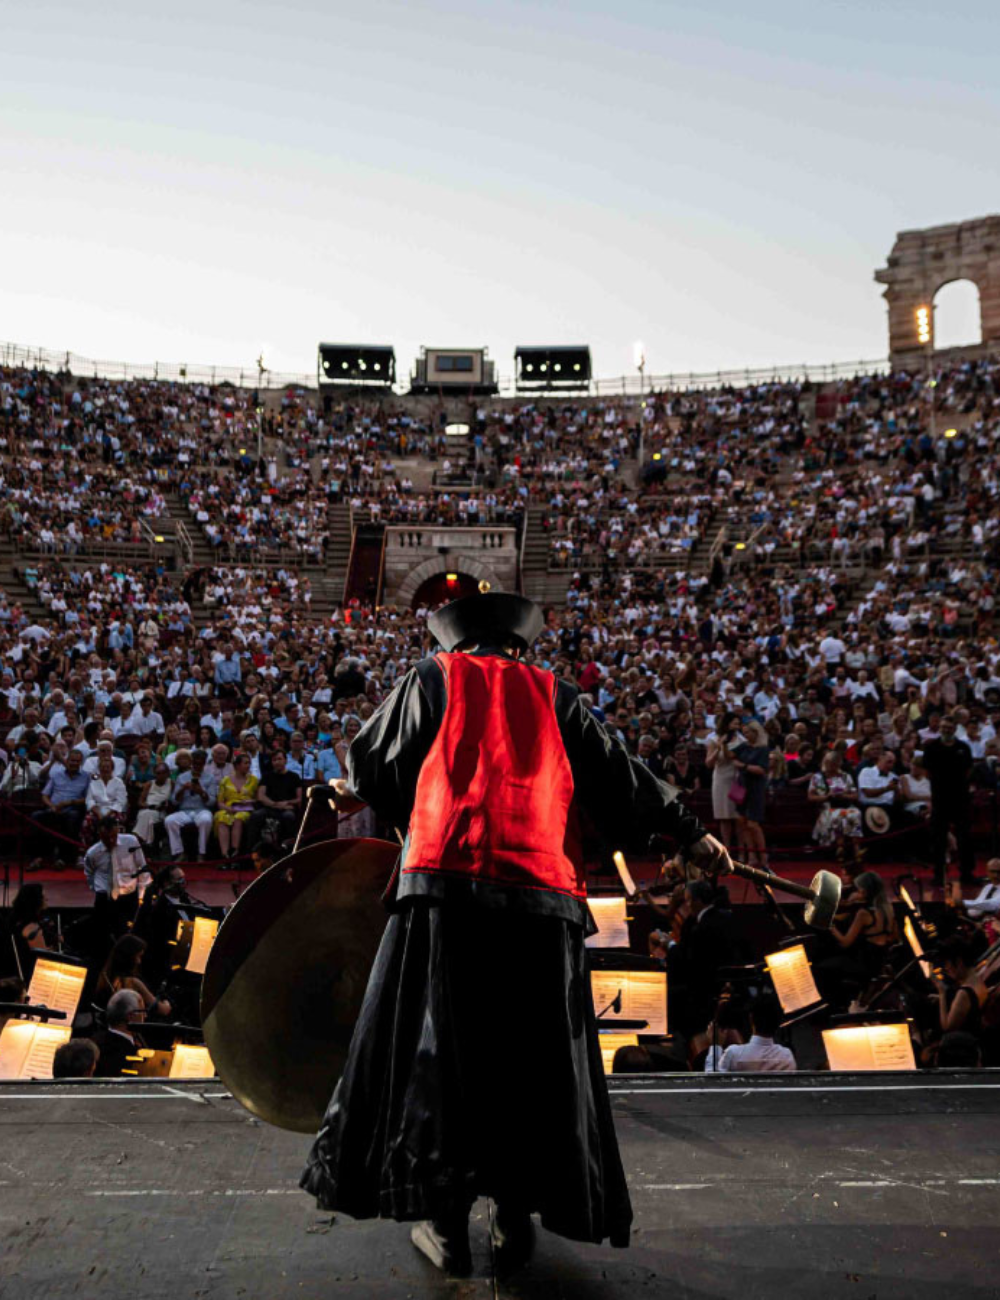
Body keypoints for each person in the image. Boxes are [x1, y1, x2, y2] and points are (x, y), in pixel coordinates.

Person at [300, 589, 732, 1275]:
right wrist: (693, 834)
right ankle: (513, 1218)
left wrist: (418, 804)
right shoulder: (555, 693)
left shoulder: (432, 677)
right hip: (543, 898)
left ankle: (444, 1225)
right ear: (518, 644)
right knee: (531, 1061)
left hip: (444, 887)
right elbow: (622, 776)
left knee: (438, 1055)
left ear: (458, 641)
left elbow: (367, 765)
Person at [923, 716, 976, 886]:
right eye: (943, 726)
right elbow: (927, 772)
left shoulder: (963, 748)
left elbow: (969, 770)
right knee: (938, 840)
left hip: (961, 799)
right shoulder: (931, 747)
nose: (946, 730)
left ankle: (967, 875)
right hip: (940, 799)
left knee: (965, 839)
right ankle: (939, 875)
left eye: (949, 727)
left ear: (954, 729)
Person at [83, 816, 151, 939]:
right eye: (106, 837)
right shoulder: (93, 853)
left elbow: (142, 866)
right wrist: (98, 890)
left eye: (113, 836)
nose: (110, 841)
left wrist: (142, 893)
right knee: (102, 932)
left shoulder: (131, 842)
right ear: (99, 834)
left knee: (130, 932)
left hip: (129, 894)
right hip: (105, 896)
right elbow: (89, 873)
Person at [95, 934, 171, 1018]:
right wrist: (166, 1002)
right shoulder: (133, 982)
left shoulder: (105, 976)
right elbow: (163, 1010)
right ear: (129, 958)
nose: (139, 962)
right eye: (139, 956)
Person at [715, 996, 796, 1072]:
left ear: (751, 1018)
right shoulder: (787, 1056)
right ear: (778, 1022)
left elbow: (712, 1082)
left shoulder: (733, 1053)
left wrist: (715, 1045)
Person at [165, 749, 216, 860]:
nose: (197, 766)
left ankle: (201, 853)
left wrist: (201, 792)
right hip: (185, 811)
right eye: (195, 763)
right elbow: (174, 801)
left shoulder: (210, 778)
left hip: (202, 810)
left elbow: (212, 802)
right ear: (192, 763)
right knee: (169, 820)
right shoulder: (182, 777)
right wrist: (182, 789)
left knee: (205, 820)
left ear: (204, 763)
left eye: (200, 763)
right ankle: (179, 852)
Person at [248, 749, 302, 849]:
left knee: (288, 816)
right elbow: (261, 796)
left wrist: (286, 803)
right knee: (256, 816)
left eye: (279, 759)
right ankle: (252, 848)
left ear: (285, 760)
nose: (277, 762)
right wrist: (275, 804)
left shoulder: (294, 777)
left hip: (287, 808)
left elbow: (299, 798)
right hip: (269, 807)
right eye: (274, 760)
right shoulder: (267, 776)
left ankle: (287, 847)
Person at [91, 988, 147, 1077]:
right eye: (142, 1012)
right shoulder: (131, 1054)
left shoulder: (94, 1042)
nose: (145, 1016)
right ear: (130, 1016)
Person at [214, 751, 259, 859]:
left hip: (245, 809)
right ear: (237, 765)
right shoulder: (225, 780)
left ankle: (235, 852)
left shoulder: (254, 780)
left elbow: (258, 800)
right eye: (245, 763)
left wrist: (249, 802)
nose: (248, 766)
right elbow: (220, 802)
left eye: (249, 763)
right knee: (221, 818)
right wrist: (228, 808)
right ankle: (225, 855)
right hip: (228, 808)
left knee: (239, 818)